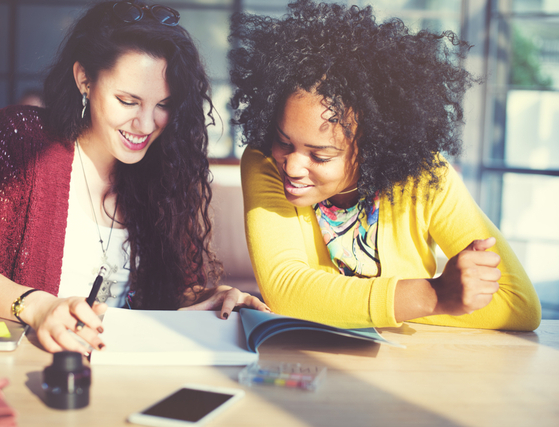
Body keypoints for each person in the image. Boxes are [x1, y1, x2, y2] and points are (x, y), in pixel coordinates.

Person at [0, 1, 268, 354]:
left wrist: (208, 299)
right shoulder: (23, 139)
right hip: (35, 369)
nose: (145, 125)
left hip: (121, 374)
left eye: (164, 105)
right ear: (84, 80)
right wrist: (41, 307)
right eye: (128, 101)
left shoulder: (165, 168)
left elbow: (171, 293)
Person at [229, 0, 541, 331]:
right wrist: (433, 296)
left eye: (319, 156)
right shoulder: (264, 161)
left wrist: (338, 303)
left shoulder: (427, 180)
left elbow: (518, 305)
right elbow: (287, 292)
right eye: (284, 142)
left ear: (373, 149)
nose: (291, 166)